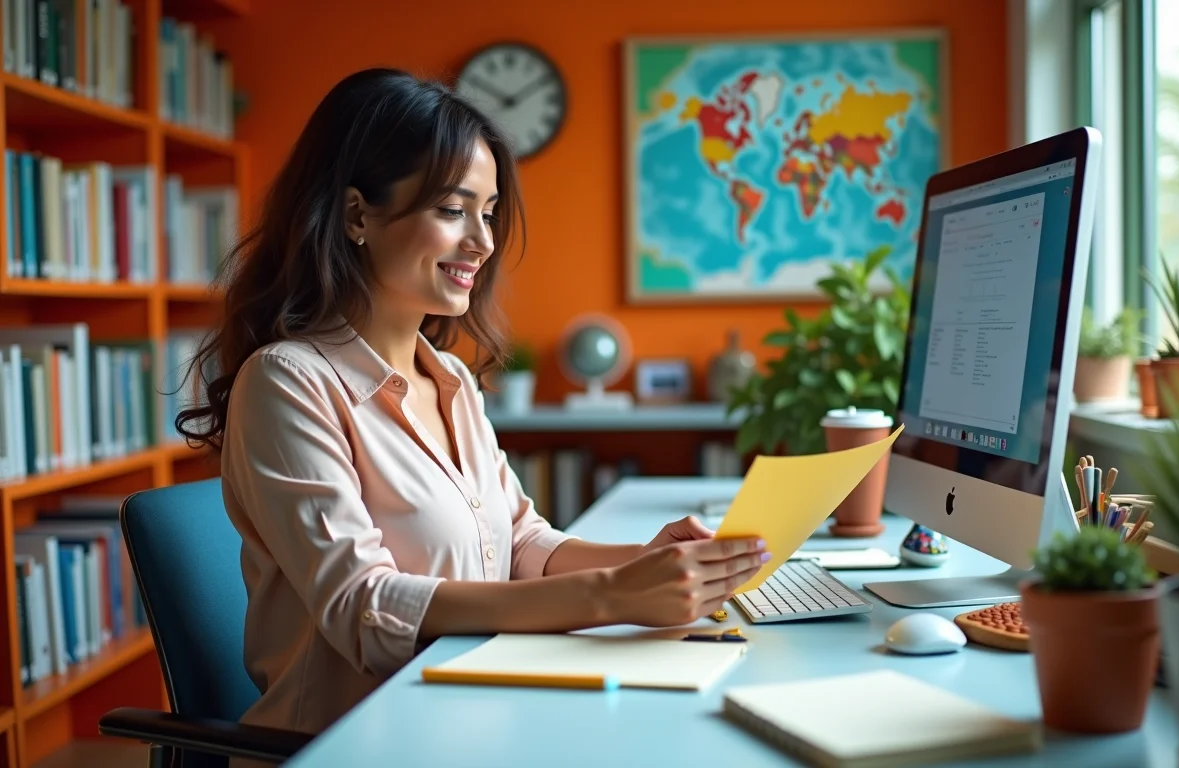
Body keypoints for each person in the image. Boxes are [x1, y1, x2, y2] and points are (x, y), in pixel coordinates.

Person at [174, 67, 768, 741]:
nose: (484, 242)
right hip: (358, 740)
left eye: (488, 213)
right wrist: (611, 597)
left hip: (476, 708)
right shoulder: (287, 383)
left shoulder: (451, 378)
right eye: (454, 211)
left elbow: (520, 542)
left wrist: (640, 561)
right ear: (356, 215)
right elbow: (364, 609)